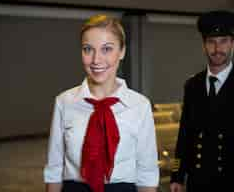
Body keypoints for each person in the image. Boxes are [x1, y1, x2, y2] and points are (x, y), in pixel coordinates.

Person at [44, 14, 159, 192]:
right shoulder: (64, 102)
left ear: (122, 52)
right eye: (88, 49)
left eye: (107, 49)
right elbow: (54, 168)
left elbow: (147, 173)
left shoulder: (140, 106)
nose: (96, 60)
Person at [170, 10, 234, 192]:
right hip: (197, 185)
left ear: (233, 43)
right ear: (204, 45)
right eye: (211, 42)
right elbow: (185, 135)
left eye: (223, 41)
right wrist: (177, 176)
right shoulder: (192, 86)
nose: (217, 49)